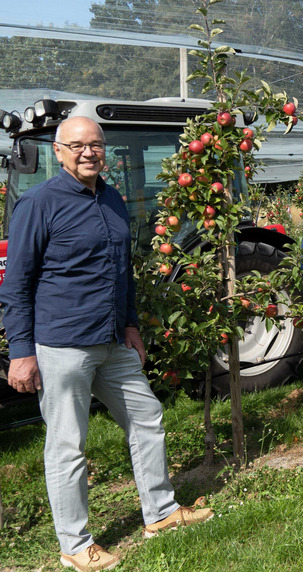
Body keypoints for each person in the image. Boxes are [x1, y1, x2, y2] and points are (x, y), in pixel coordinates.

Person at [0, 117, 212, 572]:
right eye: (77, 146)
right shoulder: (38, 204)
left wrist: (131, 325)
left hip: (113, 340)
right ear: (59, 152)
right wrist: (21, 352)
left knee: (147, 417)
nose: (88, 153)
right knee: (67, 445)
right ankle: (75, 545)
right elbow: (16, 284)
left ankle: (160, 512)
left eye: (95, 145)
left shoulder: (113, 199)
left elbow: (123, 269)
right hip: (63, 345)